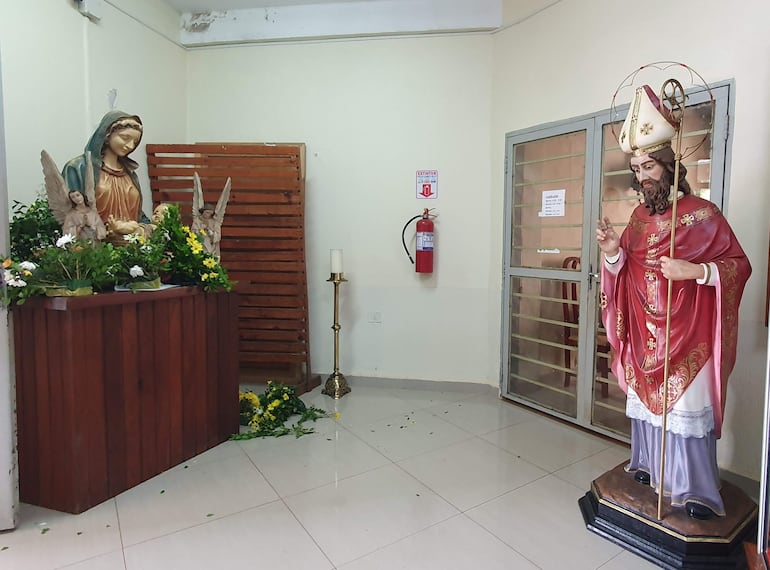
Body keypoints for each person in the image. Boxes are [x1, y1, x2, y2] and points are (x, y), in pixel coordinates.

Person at [596, 84, 751, 520]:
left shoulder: (704, 213)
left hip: (689, 333)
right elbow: (623, 269)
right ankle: (647, 466)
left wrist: (697, 272)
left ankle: (694, 489)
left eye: (649, 166)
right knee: (646, 404)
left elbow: (739, 265)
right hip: (646, 334)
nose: (642, 176)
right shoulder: (638, 218)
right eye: (636, 168)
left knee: (685, 409)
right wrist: (612, 250)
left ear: (669, 167)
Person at [62, 111, 152, 243]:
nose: (130, 146)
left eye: (135, 141)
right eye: (125, 138)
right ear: (107, 134)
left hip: (130, 247)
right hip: (95, 250)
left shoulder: (129, 174)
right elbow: (69, 214)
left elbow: (139, 216)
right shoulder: (79, 168)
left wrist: (143, 229)